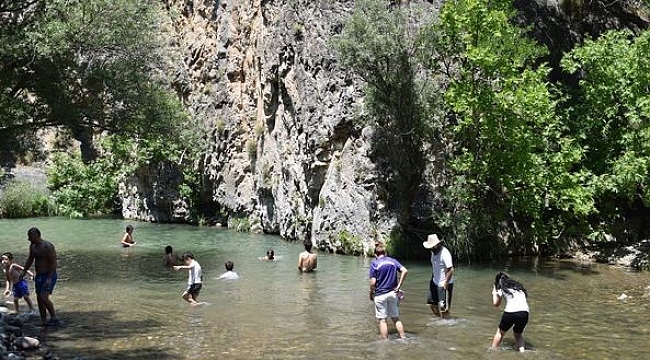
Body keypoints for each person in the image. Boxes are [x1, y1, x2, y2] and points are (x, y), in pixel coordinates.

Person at [20, 227, 59, 326]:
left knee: (43, 297)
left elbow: (54, 263)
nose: (28, 239)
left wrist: (49, 278)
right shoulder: (32, 246)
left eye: (30, 237)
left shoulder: (48, 246)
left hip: (49, 275)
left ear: (36, 235)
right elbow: (30, 259)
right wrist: (24, 271)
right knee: (39, 298)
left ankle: (54, 318)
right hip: (39, 275)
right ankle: (44, 321)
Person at [369, 244, 408, 340]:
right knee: (395, 318)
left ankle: (385, 343)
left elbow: (373, 282)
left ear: (375, 254)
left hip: (380, 295)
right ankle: (403, 338)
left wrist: (371, 293)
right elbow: (404, 270)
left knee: (383, 321)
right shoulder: (393, 261)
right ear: (385, 253)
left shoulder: (374, 263)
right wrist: (398, 286)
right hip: (393, 294)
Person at [491, 272, 530, 352]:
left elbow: (496, 304)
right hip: (524, 312)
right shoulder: (519, 288)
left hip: (511, 312)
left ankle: (493, 351)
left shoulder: (502, 288)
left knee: (500, 333)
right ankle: (522, 351)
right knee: (518, 334)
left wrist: (494, 293)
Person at [423, 233, 455, 319]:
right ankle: (439, 320)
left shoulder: (445, 253)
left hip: (444, 284)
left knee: (443, 308)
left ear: (436, 245)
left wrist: (445, 283)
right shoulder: (433, 252)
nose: (430, 249)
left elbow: (451, 269)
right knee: (432, 304)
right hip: (434, 281)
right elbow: (435, 265)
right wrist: (433, 278)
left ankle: (446, 322)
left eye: (431, 247)